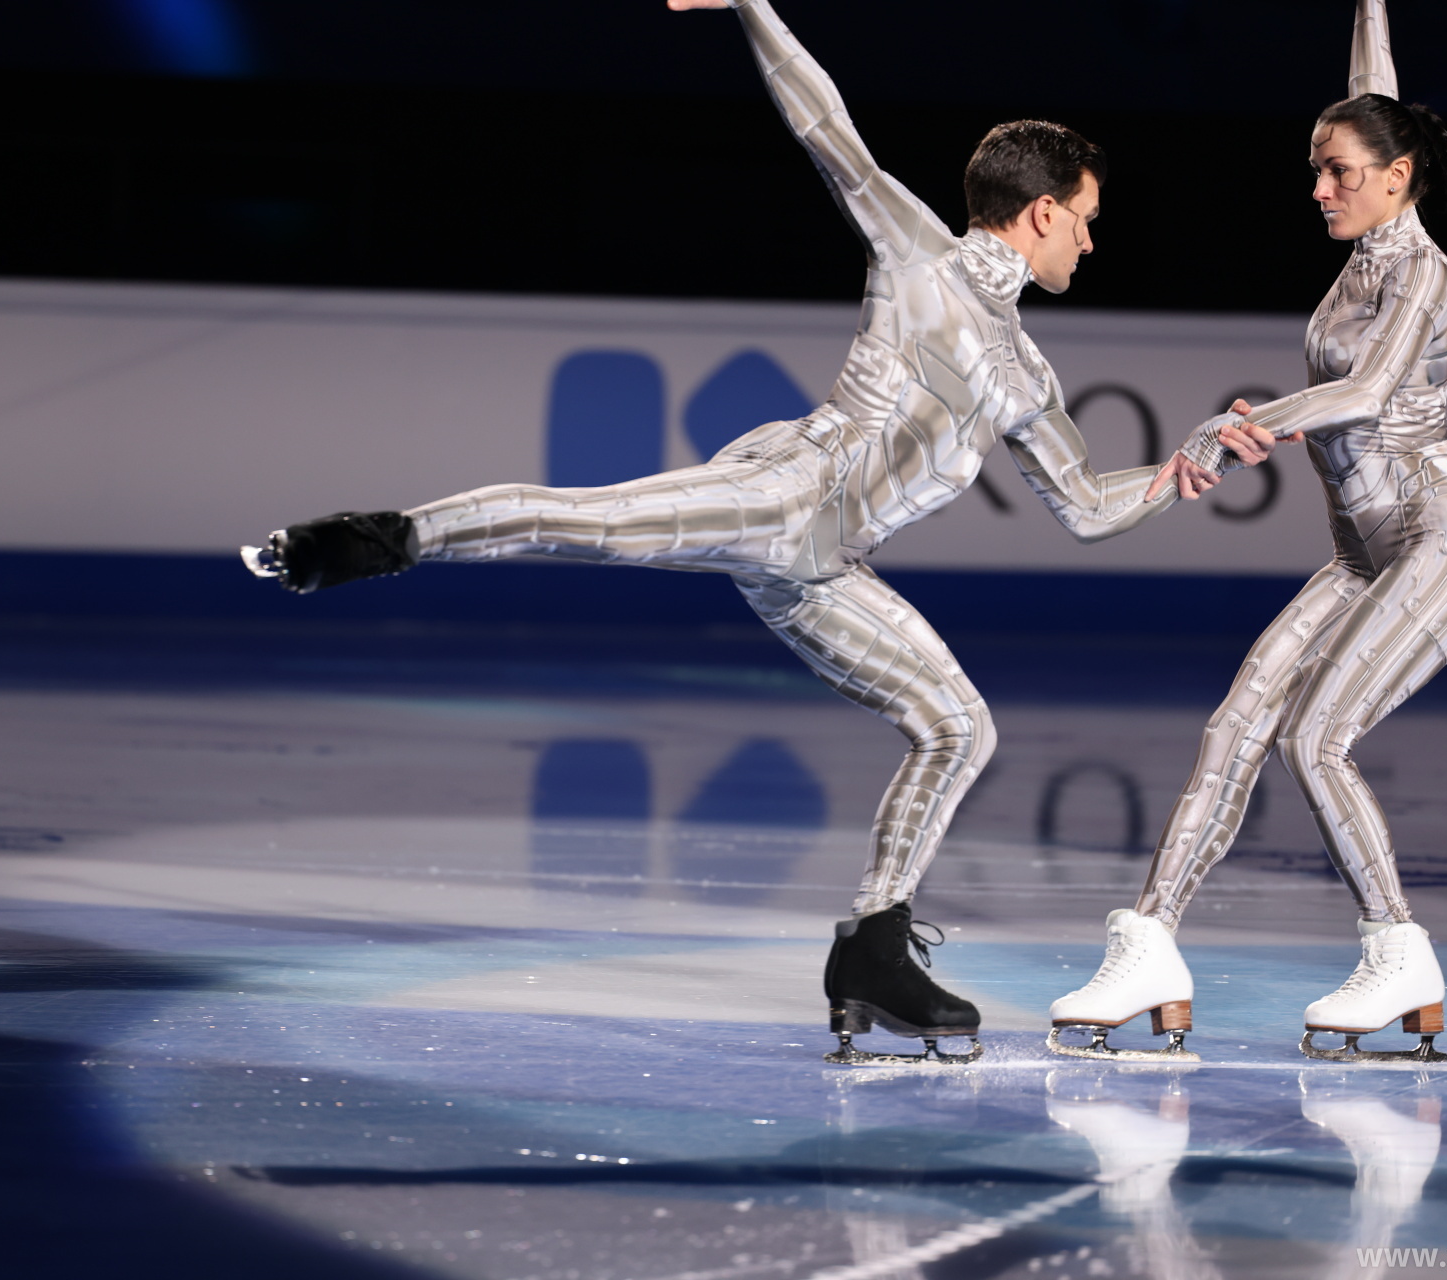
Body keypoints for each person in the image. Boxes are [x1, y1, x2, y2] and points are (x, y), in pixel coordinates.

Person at [243, 0, 1272, 1065]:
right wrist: (753, 6)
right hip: (785, 495)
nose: (1093, 240)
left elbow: (1086, 507)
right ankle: (366, 541)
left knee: (959, 727)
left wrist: (1181, 466)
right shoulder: (921, 257)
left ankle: (873, 949)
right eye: (1087, 217)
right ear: (1043, 211)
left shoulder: (1028, 373)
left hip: (826, 567)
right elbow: (826, 131)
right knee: (590, 521)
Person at [1049, 0, 1447, 1064]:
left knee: (1316, 736)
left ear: (1396, 176)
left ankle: (1398, 952)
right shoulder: (1363, 244)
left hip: (1443, 536)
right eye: (1314, 169)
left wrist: (1242, 425)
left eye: (1337, 171)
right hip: (1361, 555)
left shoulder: (1424, 272)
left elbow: (1366, 391)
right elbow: (1373, 91)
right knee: (1233, 725)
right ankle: (1148, 947)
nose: (1318, 188)